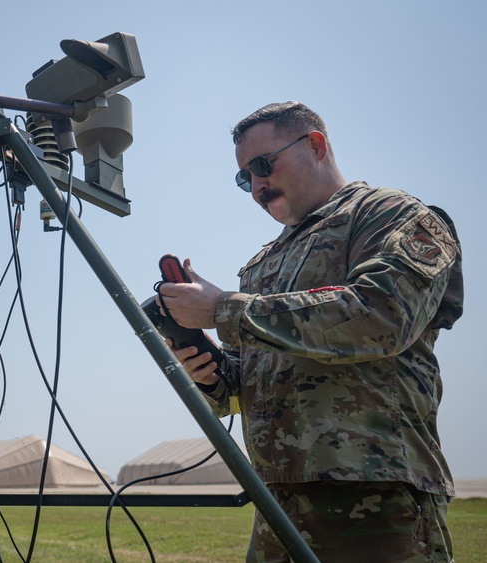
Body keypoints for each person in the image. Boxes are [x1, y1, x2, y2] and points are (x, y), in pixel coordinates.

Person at [156, 101, 463, 562]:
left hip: (377, 496)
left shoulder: (394, 215)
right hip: (277, 504)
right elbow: (252, 385)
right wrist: (213, 376)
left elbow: (381, 315)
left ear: (316, 145)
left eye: (262, 165)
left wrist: (223, 310)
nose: (257, 186)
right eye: (245, 178)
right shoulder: (262, 264)